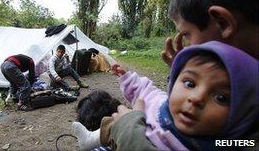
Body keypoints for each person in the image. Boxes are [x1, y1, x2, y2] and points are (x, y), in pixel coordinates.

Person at [72, 41, 258, 150]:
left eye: (221, 98)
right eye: (190, 83)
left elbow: (248, 142)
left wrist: (128, 127)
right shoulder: (163, 104)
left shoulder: (218, 142)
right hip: (138, 121)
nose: (196, 98)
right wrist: (126, 76)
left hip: (134, 131)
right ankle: (92, 138)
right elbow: (146, 90)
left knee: (122, 120)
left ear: (239, 116)